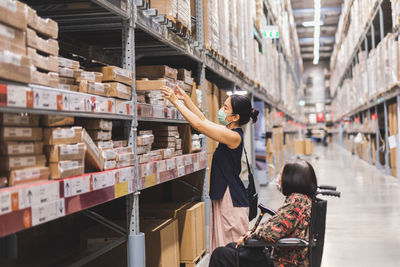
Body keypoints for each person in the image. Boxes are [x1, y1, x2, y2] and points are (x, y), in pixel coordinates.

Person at [161, 86, 259, 252]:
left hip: (231, 200)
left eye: (225, 108)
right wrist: (186, 99)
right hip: (225, 197)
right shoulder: (229, 130)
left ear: (235, 117)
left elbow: (199, 125)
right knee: (223, 249)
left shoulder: (233, 136)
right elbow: (204, 120)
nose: (221, 110)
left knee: (230, 251)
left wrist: (175, 102)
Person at [209, 160, 318, 267]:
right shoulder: (302, 199)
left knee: (220, 255)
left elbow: (270, 233)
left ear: (293, 179)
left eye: (281, 175)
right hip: (283, 254)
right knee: (231, 246)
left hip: (282, 261)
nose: (279, 179)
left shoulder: (296, 203)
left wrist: (251, 234)